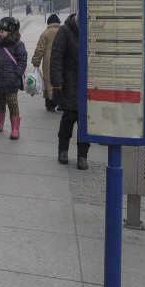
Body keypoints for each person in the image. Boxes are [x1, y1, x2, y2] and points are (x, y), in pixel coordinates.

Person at [50, 13, 89, 170]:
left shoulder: (94, 31)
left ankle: (82, 155)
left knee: (85, 121)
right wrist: (57, 81)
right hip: (69, 81)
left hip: (87, 83)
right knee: (69, 117)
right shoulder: (65, 31)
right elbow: (56, 56)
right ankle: (63, 150)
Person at [0, 17, 27, 140]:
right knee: (0, 101)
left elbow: (22, 61)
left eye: (1, 32)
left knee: (12, 103)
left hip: (12, 80)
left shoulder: (18, 44)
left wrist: (16, 74)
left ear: (10, 32)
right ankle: (0, 122)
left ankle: (15, 129)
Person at [31, 14, 61, 112]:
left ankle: (50, 104)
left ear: (49, 23)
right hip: (62, 59)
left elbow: (40, 49)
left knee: (48, 82)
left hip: (49, 61)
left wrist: (36, 62)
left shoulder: (46, 33)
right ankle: (61, 103)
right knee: (61, 81)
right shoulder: (63, 31)